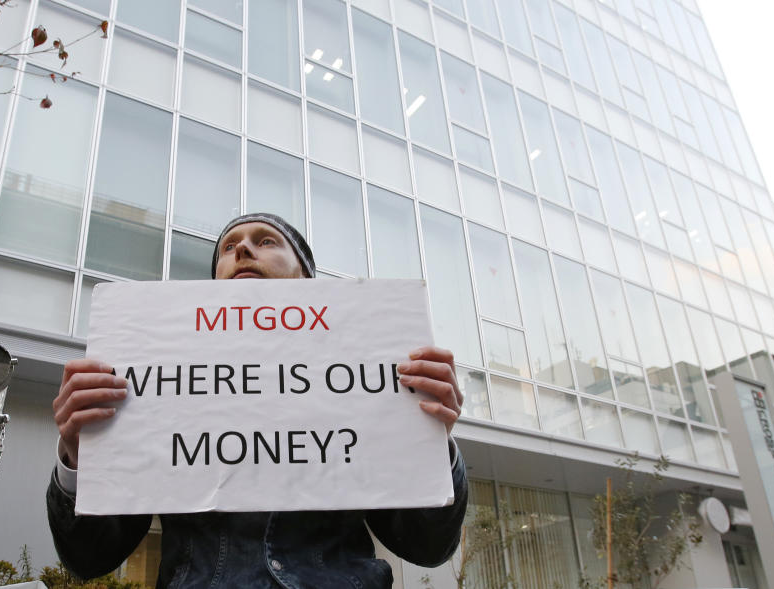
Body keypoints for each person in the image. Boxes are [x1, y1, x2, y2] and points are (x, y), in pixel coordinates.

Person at [47, 213, 469, 588]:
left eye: (266, 241)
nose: (243, 249)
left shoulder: (369, 373)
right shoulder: (159, 380)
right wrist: (79, 458)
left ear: (306, 279)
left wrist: (432, 440)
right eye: (229, 248)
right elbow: (89, 558)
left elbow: (427, 546)